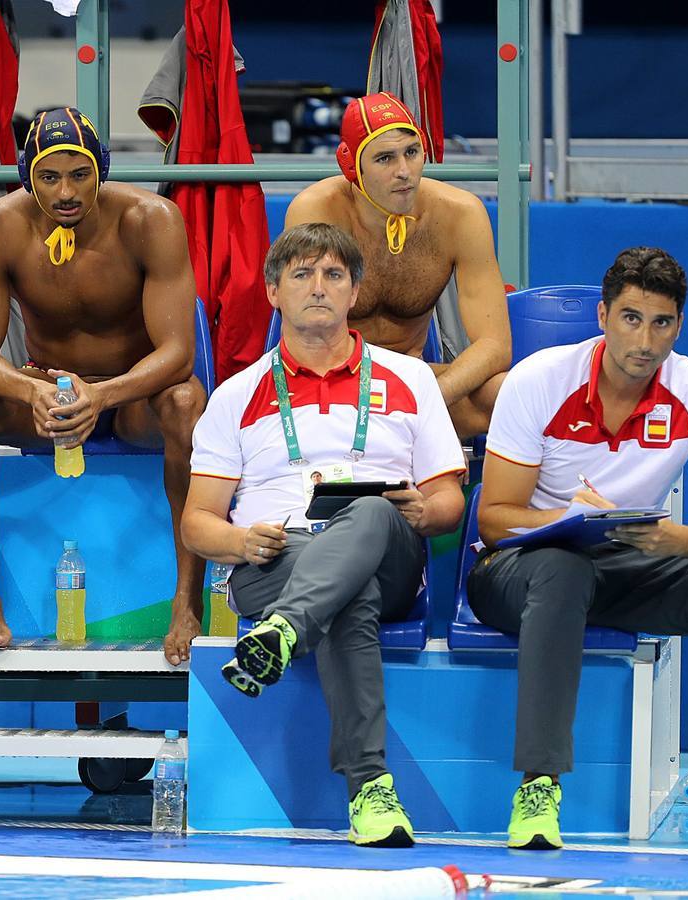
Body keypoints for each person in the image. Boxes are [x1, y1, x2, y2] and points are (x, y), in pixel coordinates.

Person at [470, 247, 688, 849]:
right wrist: (572, 518)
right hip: (517, 569)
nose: (645, 339)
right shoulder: (540, 380)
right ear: (603, 316)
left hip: (631, 563)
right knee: (561, 572)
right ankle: (537, 789)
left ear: (678, 327)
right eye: (631, 318)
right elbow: (496, 519)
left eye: (661, 323)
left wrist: (674, 540)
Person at [181, 223, 464, 847]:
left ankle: (283, 633)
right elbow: (198, 520)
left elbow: (451, 498)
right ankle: (370, 791)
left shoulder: (411, 380)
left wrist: (423, 509)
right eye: (302, 275)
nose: (319, 288)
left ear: (356, 291)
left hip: (386, 545)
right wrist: (239, 542)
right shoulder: (235, 395)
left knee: (365, 512)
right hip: (274, 560)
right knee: (346, 595)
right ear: (273, 290)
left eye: (334, 274)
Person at [0, 106, 208, 664]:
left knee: (187, 402)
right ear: (27, 176)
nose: (66, 192)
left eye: (80, 174)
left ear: (101, 169)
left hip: (133, 396)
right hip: (51, 398)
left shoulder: (150, 220)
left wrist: (106, 393)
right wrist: (30, 391)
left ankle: (187, 601)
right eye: (49, 177)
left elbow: (178, 353)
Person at [285, 92, 509, 438]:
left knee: (505, 394)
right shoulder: (318, 212)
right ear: (351, 166)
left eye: (411, 152)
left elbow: (494, 345)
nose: (404, 172)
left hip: (414, 381)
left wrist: (430, 396)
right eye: (385, 158)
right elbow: (304, 329)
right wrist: (361, 398)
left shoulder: (460, 215)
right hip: (327, 380)